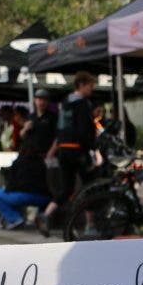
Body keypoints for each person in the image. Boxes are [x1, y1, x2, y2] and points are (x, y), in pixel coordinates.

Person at [39, 71, 97, 235]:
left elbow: (60, 128)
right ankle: (90, 225)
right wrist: (93, 149)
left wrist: (54, 149)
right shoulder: (83, 104)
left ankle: (46, 214)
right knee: (89, 186)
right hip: (78, 150)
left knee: (66, 189)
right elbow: (85, 130)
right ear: (82, 85)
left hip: (63, 149)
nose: (91, 90)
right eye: (90, 86)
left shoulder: (65, 102)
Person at [0, 146, 51, 230]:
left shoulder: (18, 162)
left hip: (23, 195)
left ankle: (15, 219)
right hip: (44, 197)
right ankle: (14, 218)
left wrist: (9, 189)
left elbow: (11, 184)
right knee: (11, 196)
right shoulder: (42, 162)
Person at [19, 89, 57, 158]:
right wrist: (25, 129)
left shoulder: (53, 117)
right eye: (39, 99)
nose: (42, 102)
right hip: (30, 155)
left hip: (46, 154)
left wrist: (51, 152)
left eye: (44, 100)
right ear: (35, 100)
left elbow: (58, 137)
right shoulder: (30, 116)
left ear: (48, 102)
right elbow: (22, 135)